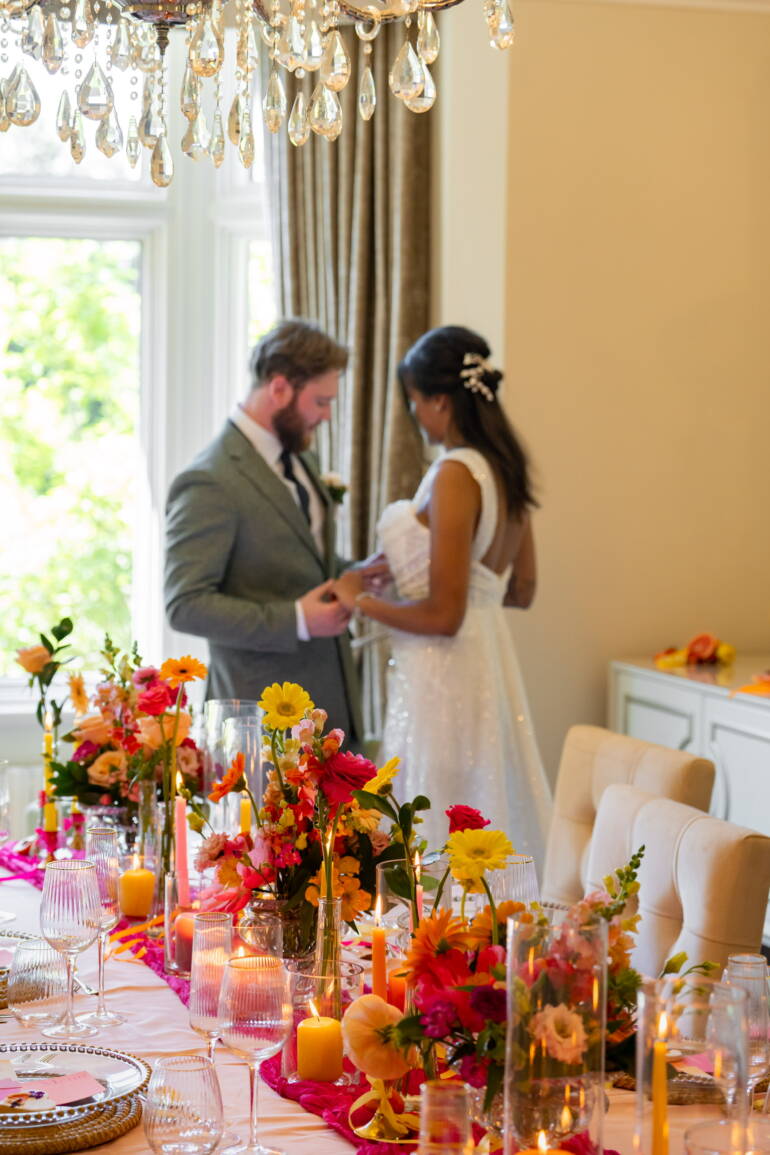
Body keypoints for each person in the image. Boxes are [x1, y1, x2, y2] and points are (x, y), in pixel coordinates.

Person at [332, 325, 552, 862]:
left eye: (414, 400)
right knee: (487, 795)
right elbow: (521, 589)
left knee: (439, 810)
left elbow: (444, 616)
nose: (414, 414)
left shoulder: (455, 473)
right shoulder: (505, 468)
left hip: (444, 675)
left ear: (440, 401)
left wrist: (359, 599)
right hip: (489, 659)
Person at [164, 318, 363, 741]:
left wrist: (363, 572)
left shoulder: (302, 460)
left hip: (330, 705)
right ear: (279, 389)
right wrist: (296, 620)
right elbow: (185, 604)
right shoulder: (210, 479)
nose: (327, 416)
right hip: (258, 723)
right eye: (321, 402)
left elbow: (301, 561)